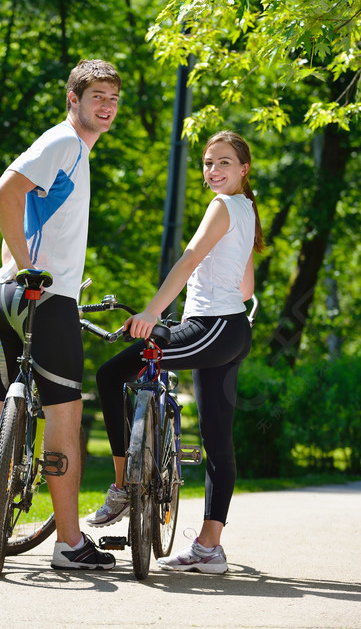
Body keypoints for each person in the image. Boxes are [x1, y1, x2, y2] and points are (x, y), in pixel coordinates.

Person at [0, 59, 122, 570]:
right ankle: (69, 544)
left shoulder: (75, 152)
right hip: (43, 296)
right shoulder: (63, 143)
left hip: (7, 296)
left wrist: (18, 268)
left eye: (112, 99)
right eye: (96, 98)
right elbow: (5, 189)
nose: (105, 107)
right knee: (66, 413)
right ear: (73, 100)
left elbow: (24, 206)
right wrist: (30, 267)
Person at [86, 130, 265, 574]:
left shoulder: (222, 206)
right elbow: (247, 287)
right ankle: (208, 548)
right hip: (229, 329)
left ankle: (124, 485)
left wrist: (149, 313)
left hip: (212, 328)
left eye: (224, 162)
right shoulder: (246, 209)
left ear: (243, 169)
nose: (213, 170)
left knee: (110, 376)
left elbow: (188, 258)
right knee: (217, 440)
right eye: (208, 163)